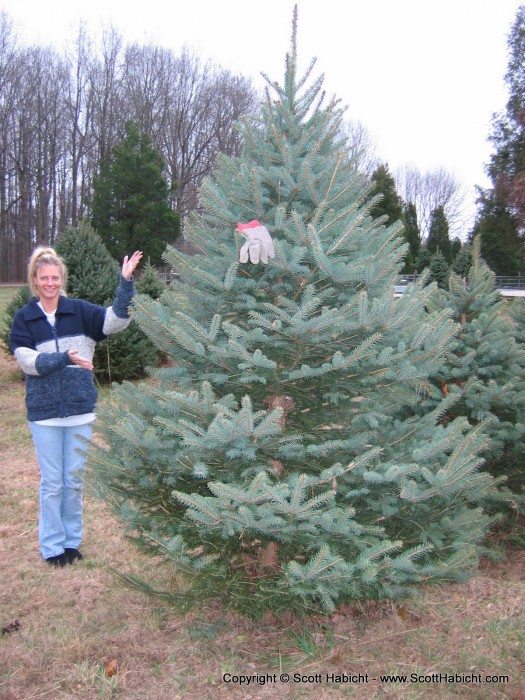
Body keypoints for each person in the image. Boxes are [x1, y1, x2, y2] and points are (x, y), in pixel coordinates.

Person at [10, 246, 143, 567]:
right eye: (44, 278)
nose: (51, 283)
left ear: (62, 279)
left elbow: (115, 322)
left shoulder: (80, 312)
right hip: (45, 416)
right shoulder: (25, 319)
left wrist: (125, 283)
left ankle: (71, 542)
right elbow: (28, 362)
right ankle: (53, 546)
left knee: (74, 481)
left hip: (80, 411)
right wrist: (64, 358)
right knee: (53, 483)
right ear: (35, 281)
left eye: (55, 277)